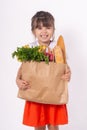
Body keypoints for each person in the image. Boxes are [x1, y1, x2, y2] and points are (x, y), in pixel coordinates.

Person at [16, 11, 71, 130]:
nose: (44, 31)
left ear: (53, 30)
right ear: (33, 31)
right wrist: (18, 81)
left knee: (53, 125)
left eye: (48, 27)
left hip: (53, 94)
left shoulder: (58, 47)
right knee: (39, 126)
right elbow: (22, 69)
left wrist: (68, 74)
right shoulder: (30, 48)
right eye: (39, 28)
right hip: (35, 94)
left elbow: (65, 67)